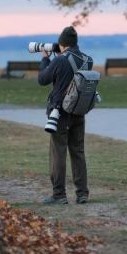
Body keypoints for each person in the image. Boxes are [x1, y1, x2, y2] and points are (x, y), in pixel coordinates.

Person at [37, 26, 91, 205]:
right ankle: (82, 193)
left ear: (61, 44)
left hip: (59, 113)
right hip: (78, 111)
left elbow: (42, 79)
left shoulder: (59, 60)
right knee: (78, 152)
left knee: (58, 153)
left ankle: (59, 195)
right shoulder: (86, 60)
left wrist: (45, 59)